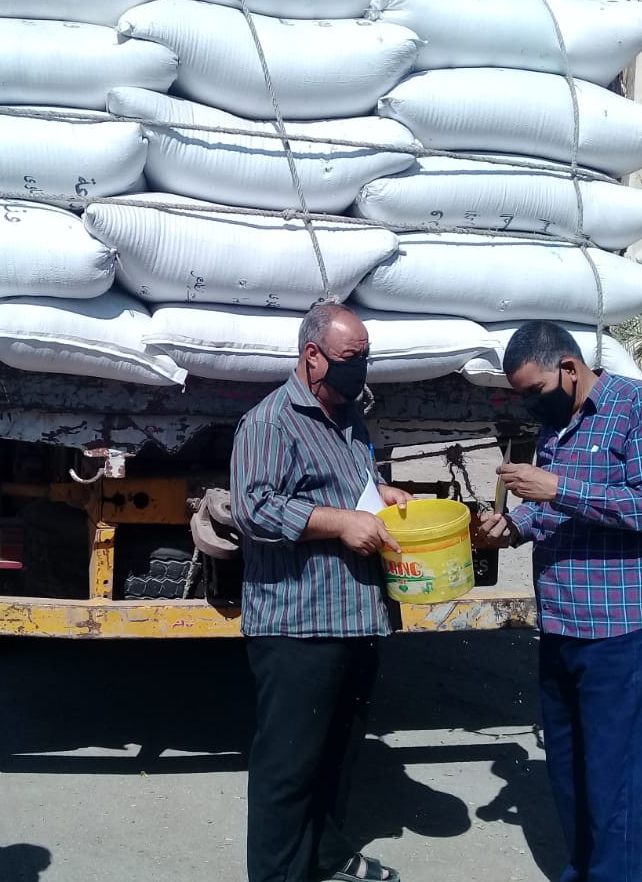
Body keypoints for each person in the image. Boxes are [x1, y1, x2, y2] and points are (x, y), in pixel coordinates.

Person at [477, 320, 642, 882]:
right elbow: (549, 511)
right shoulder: (557, 423)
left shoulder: (641, 406)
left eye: (535, 391)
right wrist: (513, 526)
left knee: (614, 784)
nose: (531, 404)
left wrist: (559, 488)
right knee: (568, 773)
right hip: (561, 623)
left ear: (569, 368)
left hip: (622, 630)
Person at [230, 302, 409, 882]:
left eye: (366, 357)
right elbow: (254, 508)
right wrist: (339, 523)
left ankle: (327, 859)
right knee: (288, 768)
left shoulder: (350, 417)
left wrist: (381, 493)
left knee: (338, 755)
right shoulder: (269, 423)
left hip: (357, 616)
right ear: (312, 356)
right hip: (298, 624)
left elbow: (350, 484)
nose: (361, 369)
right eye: (350, 358)